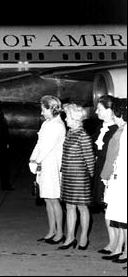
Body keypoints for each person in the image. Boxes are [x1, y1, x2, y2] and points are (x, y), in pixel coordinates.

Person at [29, 95, 66, 244]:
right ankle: (51, 230)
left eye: (43, 109)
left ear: (51, 109)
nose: (41, 112)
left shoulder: (57, 125)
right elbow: (39, 144)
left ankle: (60, 233)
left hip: (52, 165)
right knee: (47, 199)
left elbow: (47, 147)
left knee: (54, 199)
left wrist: (36, 161)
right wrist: (32, 159)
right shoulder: (46, 124)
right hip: (43, 165)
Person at [58, 103, 95, 250]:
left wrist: (90, 180)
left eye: (67, 117)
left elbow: (90, 160)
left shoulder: (83, 135)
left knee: (82, 207)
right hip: (68, 176)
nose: (65, 120)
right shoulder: (70, 133)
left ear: (74, 118)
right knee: (69, 206)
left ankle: (84, 237)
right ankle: (70, 237)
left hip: (80, 178)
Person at [100, 98, 127, 262]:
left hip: (121, 179)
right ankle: (119, 248)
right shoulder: (121, 131)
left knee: (123, 217)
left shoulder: (122, 132)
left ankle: (124, 251)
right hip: (118, 178)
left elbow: (114, 158)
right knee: (119, 217)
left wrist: (106, 175)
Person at [92, 95, 118, 213]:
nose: (96, 111)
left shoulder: (117, 130)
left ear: (110, 110)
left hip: (109, 170)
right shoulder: (100, 127)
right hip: (99, 168)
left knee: (110, 206)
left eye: (100, 109)